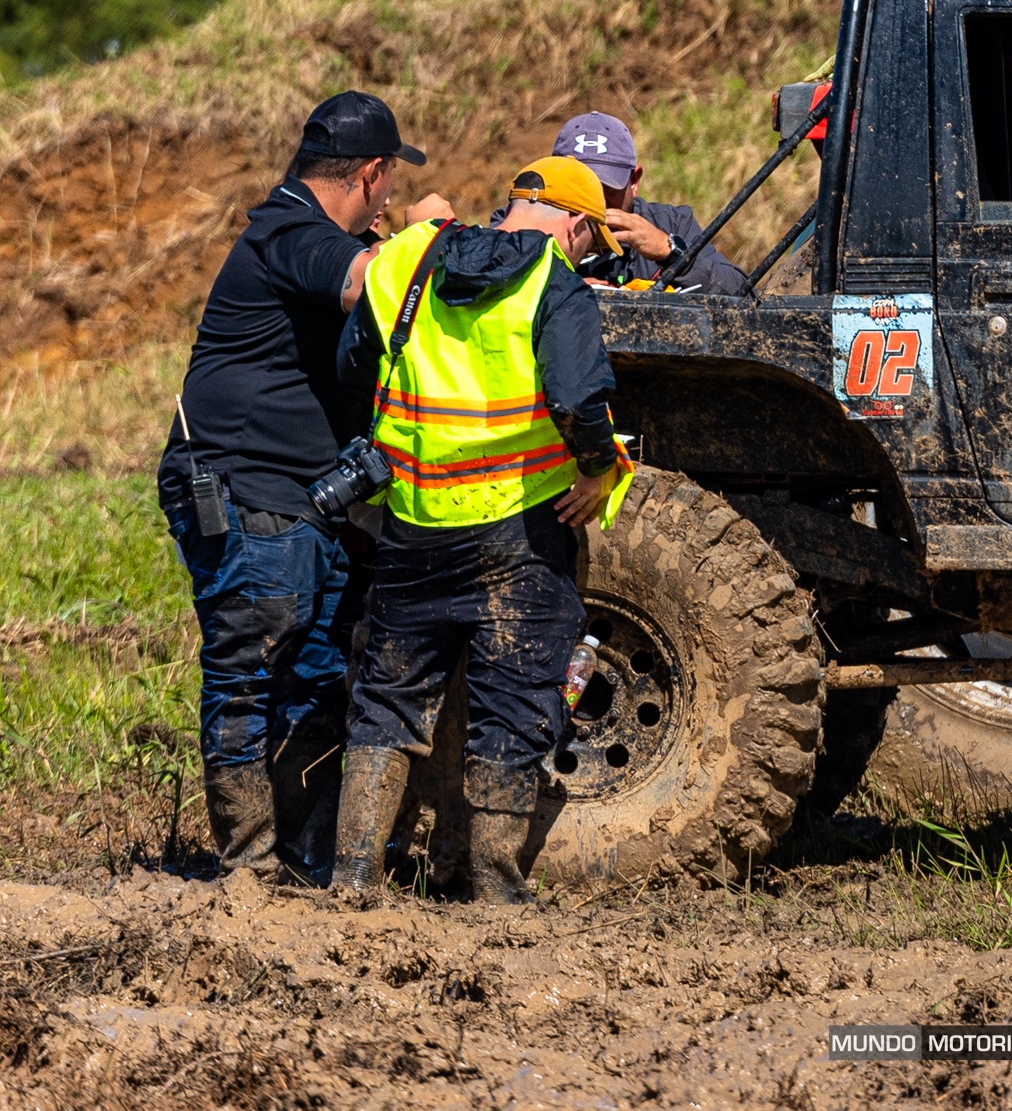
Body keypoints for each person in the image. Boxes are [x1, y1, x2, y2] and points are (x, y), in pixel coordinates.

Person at [159, 90, 451, 882]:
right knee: (250, 671)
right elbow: (364, 284)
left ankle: (299, 862)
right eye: (389, 185)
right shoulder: (289, 229)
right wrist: (427, 231)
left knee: (317, 677)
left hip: (303, 501)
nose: (387, 200)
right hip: (248, 490)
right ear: (372, 172)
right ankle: (248, 869)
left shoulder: (305, 228)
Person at [328, 155, 633, 905]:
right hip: (517, 535)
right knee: (513, 700)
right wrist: (598, 469)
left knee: (388, 697)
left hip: (415, 521)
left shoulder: (406, 261)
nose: (586, 255)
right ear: (574, 223)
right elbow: (577, 399)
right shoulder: (554, 283)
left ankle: (353, 879)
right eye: (591, 241)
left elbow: (355, 364)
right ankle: (495, 891)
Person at [538, 111, 749, 294]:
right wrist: (559, 291)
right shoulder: (533, 222)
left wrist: (671, 254)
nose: (593, 200)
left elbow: (744, 296)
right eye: (580, 187)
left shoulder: (672, 224)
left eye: (605, 188)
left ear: (634, 182)